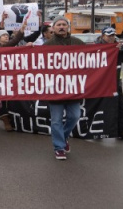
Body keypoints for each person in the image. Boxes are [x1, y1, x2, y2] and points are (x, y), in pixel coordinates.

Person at [43, 16, 85, 160]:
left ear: (68, 27)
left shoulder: (78, 43)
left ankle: (63, 137)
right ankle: (59, 147)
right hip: (55, 91)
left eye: (64, 24)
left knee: (74, 116)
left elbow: (96, 54)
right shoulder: (48, 45)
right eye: (58, 25)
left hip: (73, 90)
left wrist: (112, 48)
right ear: (53, 28)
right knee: (56, 120)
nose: (61, 27)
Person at [95, 27, 123, 140]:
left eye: (113, 35)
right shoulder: (96, 46)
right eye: (109, 35)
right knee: (100, 106)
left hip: (115, 82)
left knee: (120, 107)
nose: (111, 37)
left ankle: (122, 130)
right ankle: (97, 129)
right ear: (103, 36)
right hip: (99, 83)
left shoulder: (118, 46)